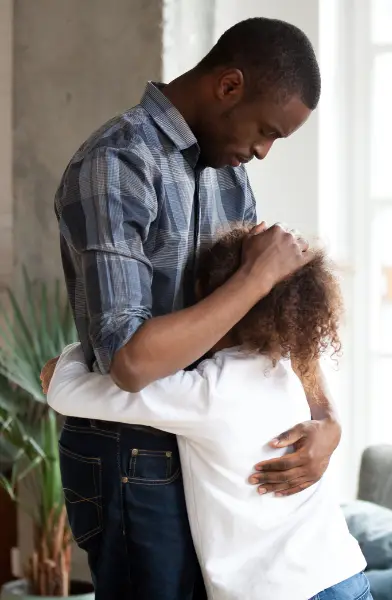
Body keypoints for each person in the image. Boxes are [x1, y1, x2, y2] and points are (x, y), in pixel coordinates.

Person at [53, 17, 339, 600]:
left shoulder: (228, 173)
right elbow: (130, 361)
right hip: (132, 454)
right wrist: (257, 275)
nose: (261, 152)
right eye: (266, 132)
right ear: (228, 85)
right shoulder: (116, 164)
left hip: (201, 448)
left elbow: (275, 312)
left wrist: (326, 419)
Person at [43, 228, 372, 600]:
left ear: (209, 299)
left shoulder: (207, 392)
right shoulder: (292, 372)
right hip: (344, 576)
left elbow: (66, 390)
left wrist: (74, 352)